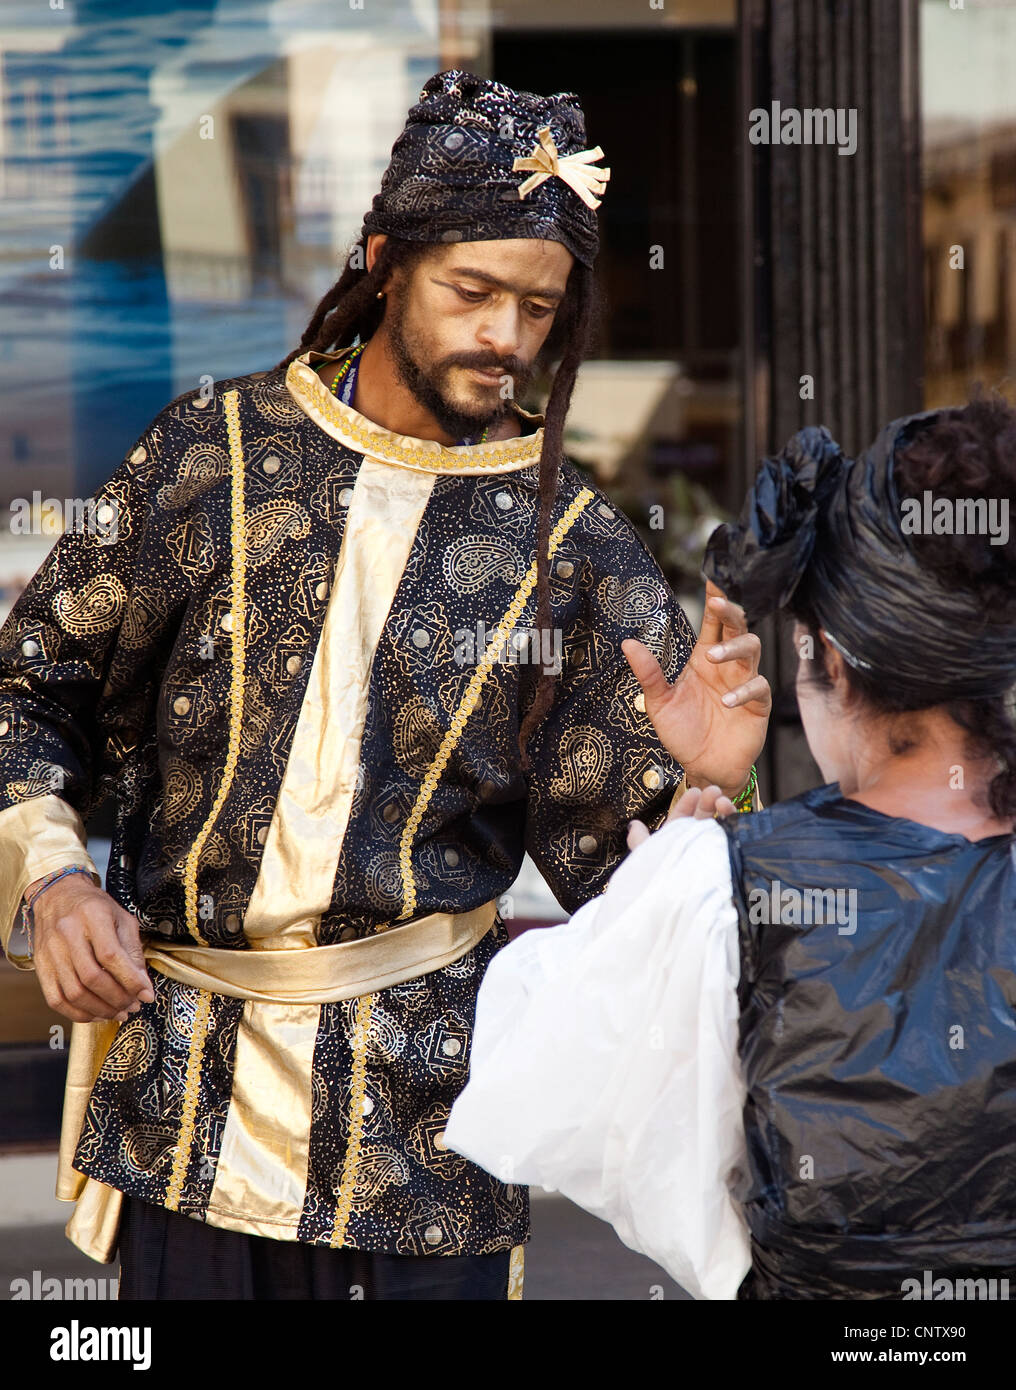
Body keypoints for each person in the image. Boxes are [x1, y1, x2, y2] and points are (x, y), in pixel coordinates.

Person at [0, 69, 769, 1301]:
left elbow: (625, 901)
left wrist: (697, 798)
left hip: (430, 1141)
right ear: (383, 260)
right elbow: (29, 687)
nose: (505, 338)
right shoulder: (209, 455)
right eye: (472, 292)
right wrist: (50, 880)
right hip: (179, 1111)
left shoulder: (572, 550)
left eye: (537, 309)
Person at [444, 393, 1016, 1300]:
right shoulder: (724, 884)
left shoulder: (721, 889)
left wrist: (675, 863)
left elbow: (540, 1085)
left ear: (828, 656)